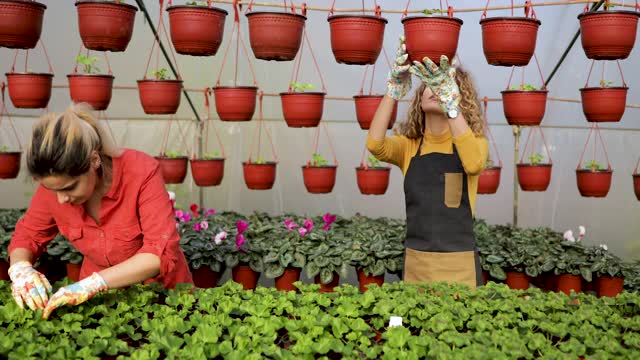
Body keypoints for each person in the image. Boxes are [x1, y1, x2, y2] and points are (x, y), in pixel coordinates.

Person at [7, 103, 193, 319]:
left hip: (164, 297)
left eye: (69, 187)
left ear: (94, 160)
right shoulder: (55, 186)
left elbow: (158, 254)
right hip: (102, 303)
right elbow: (27, 236)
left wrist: (94, 283)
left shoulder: (141, 171)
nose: (61, 198)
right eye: (52, 189)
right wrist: (21, 269)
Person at [367, 36, 488, 289]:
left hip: (460, 267)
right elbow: (375, 145)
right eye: (429, 85)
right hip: (417, 264)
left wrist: (451, 107)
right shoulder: (409, 146)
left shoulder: (472, 143)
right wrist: (392, 91)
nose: (435, 91)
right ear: (419, 98)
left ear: (458, 96)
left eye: (444, 85)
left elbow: (475, 164)